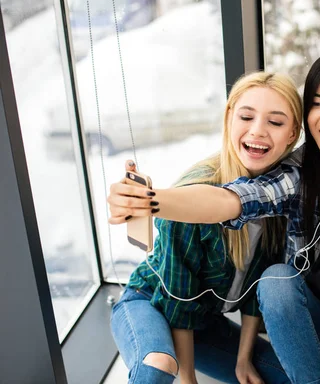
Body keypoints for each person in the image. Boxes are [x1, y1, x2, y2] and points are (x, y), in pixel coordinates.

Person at [108, 47, 320, 384]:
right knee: (274, 279)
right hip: (299, 319)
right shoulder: (296, 173)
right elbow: (232, 200)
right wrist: (151, 200)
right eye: (318, 103)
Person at [108, 71, 302, 384]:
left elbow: (257, 293)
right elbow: (178, 303)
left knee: (288, 376)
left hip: (203, 324)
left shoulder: (284, 194)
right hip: (150, 304)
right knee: (157, 365)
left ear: (293, 133)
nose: (258, 131)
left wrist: (242, 360)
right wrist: (188, 379)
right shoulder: (192, 197)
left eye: (275, 122)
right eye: (246, 117)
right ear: (229, 119)